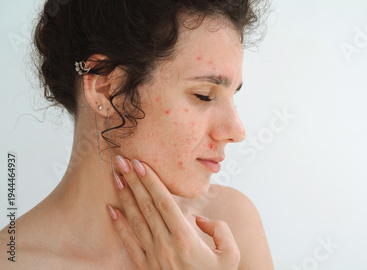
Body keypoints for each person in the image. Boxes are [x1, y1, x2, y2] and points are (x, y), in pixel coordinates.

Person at [0, 0, 274, 269]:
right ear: (107, 90)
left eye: (233, 96)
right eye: (203, 96)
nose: (237, 131)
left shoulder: (232, 229)